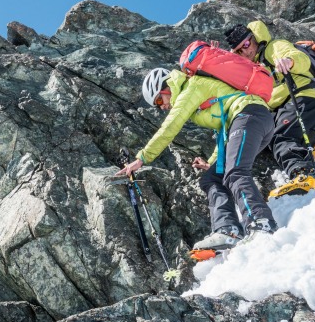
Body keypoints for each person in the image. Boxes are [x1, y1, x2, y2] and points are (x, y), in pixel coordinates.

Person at [116, 67, 277, 252]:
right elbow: (224, 129)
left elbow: (170, 127)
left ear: (166, 87)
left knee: (235, 172)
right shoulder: (193, 92)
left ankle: (261, 222)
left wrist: (142, 158)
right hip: (248, 121)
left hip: (251, 116)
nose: (162, 106)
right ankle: (227, 229)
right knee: (212, 177)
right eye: (157, 105)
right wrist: (213, 161)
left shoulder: (191, 87)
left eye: (159, 100)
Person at [225, 21, 315, 198]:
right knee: (267, 134)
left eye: (246, 44)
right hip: (292, 103)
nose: (246, 51)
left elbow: (300, 58)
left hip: (304, 96)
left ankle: (303, 174)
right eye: (239, 50)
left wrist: (289, 61)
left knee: (280, 135)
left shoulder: (273, 47)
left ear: (254, 38)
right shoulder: (255, 68)